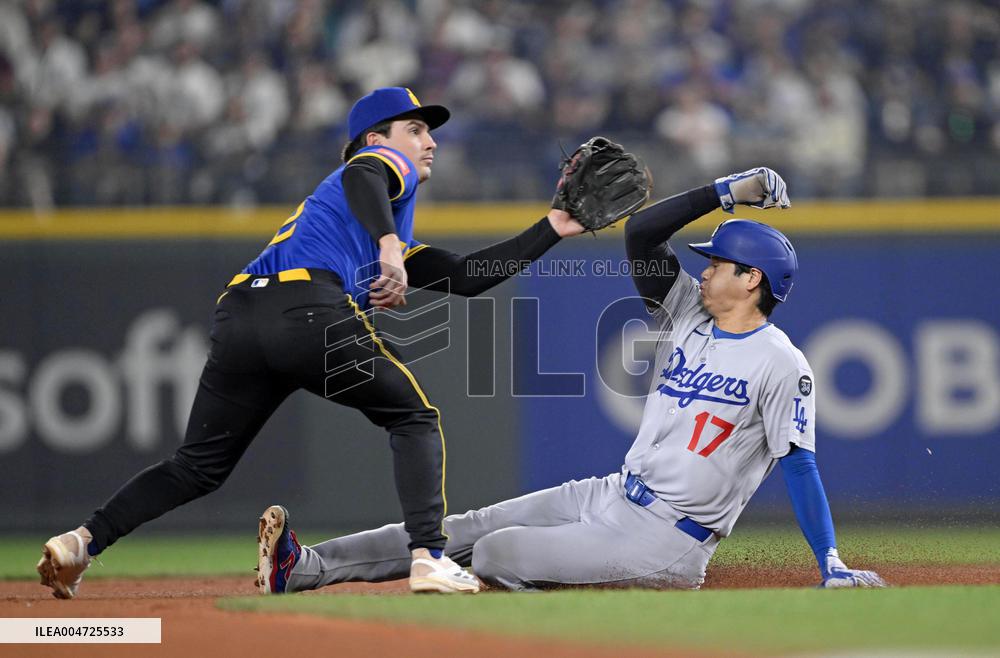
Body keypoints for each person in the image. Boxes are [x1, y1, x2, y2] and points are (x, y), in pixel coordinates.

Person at [36, 87, 593, 599]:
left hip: (242, 316)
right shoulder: (374, 173)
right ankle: (428, 556)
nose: (431, 141)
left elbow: (469, 275)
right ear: (378, 139)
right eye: (415, 130)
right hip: (305, 313)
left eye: (429, 132)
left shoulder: (358, 222)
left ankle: (82, 542)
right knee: (414, 417)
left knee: (197, 466)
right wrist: (390, 244)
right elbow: (363, 176)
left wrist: (552, 225)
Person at [260, 167, 887, 592]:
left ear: (752, 279)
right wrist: (727, 189)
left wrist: (830, 560)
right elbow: (644, 230)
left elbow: (800, 466)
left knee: (502, 551)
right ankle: (305, 568)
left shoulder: (782, 362)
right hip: (613, 493)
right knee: (463, 529)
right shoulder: (689, 311)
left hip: (669, 537)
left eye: (719, 263)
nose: (705, 271)